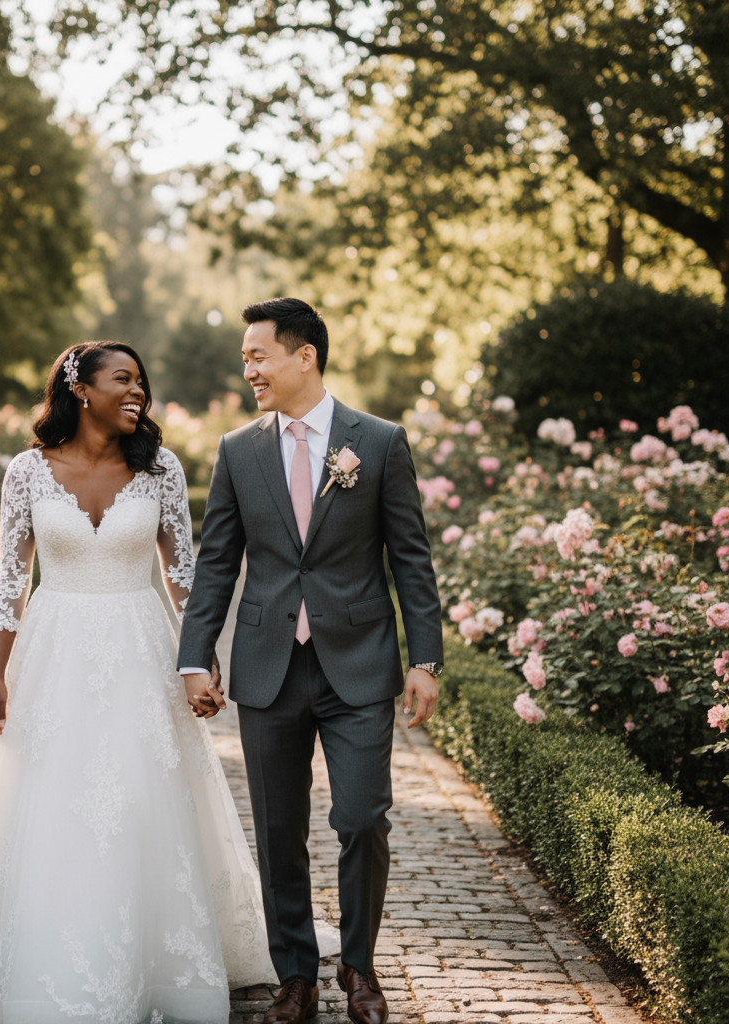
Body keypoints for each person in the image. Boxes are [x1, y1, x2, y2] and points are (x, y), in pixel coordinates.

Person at [0, 341, 281, 1024]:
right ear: (79, 389)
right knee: (49, 801)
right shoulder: (27, 471)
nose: (138, 393)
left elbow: (184, 576)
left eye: (142, 382)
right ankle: (43, 955)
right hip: (53, 655)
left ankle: (156, 961)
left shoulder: (160, 468)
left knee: (142, 799)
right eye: (123, 381)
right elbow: (11, 580)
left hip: (142, 652)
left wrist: (198, 661)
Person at [178, 299, 444, 1024]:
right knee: (277, 830)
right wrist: (194, 657)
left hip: (357, 664)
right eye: (245, 358)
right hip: (267, 664)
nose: (249, 369)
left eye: (258, 355)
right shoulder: (238, 449)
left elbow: (411, 561)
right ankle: (294, 975)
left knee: (362, 818)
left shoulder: (379, 442)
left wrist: (427, 659)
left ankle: (359, 968)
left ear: (306, 356)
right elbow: (217, 566)